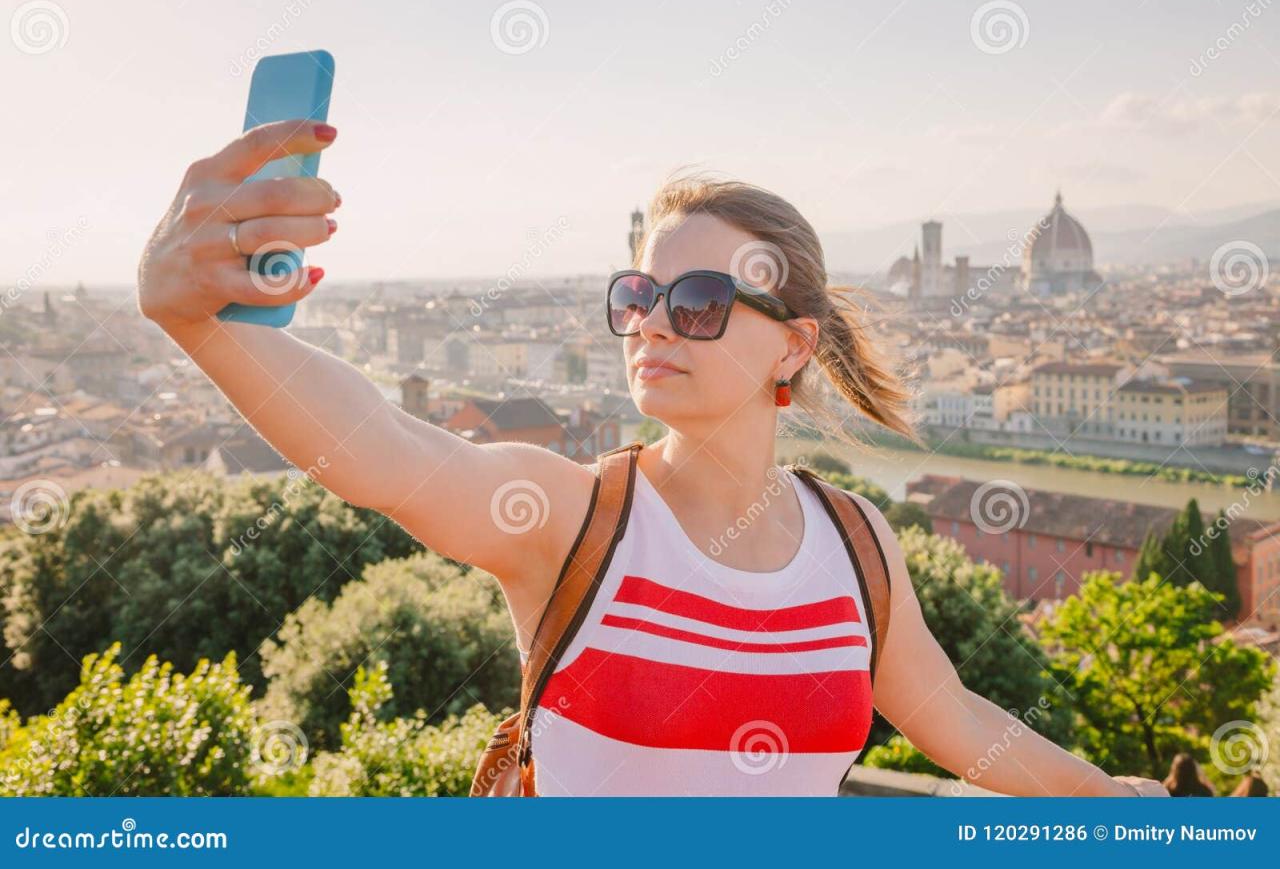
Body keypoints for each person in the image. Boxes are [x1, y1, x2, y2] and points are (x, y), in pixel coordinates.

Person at [136, 119, 1167, 796]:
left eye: (699, 303)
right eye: (637, 298)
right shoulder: (566, 516)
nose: (652, 326)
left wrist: (1120, 804)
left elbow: (958, 722)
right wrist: (195, 317)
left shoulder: (855, 546)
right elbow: (382, 451)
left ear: (792, 343)